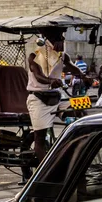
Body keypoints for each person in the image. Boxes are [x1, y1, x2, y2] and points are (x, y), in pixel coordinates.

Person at [27, 31, 82, 162]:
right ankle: (45, 174)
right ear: (47, 40)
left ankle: (71, 141)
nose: (62, 39)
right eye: (58, 37)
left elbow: (73, 69)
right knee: (39, 138)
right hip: (38, 99)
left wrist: (85, 77)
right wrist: (50, 81)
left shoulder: (63, 56)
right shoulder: (34, 56)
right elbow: (38, 76)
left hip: (57, 98)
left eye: (62, 36)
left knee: (80, 111)